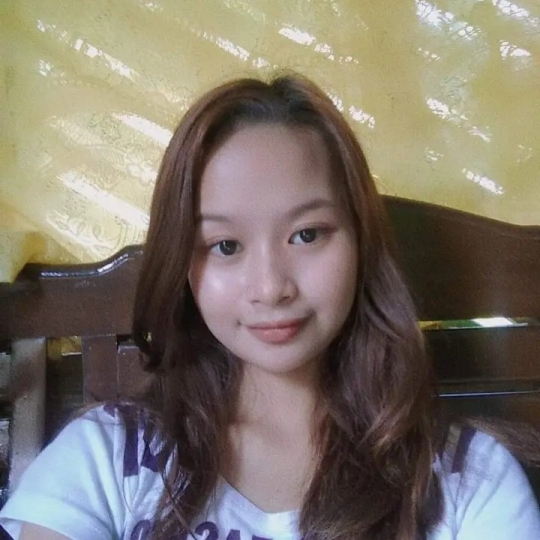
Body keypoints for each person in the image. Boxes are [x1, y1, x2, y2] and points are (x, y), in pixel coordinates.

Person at [0, 73, 539, 540]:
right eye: (225, 246)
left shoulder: (471, 481)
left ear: (361, 243)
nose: (271, 286)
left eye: (307, 234)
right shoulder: (103, 458)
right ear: (182, 264)